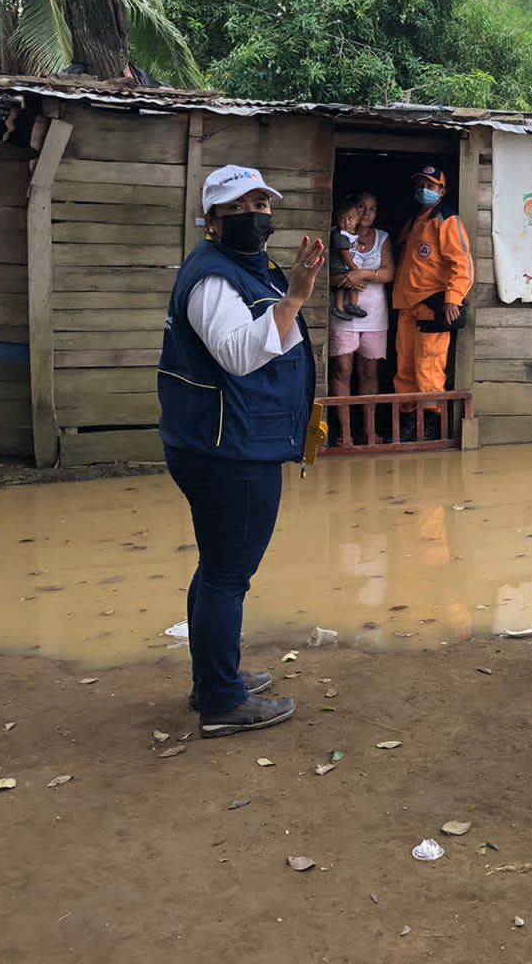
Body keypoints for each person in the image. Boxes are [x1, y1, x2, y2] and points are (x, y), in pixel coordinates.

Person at [157, 164, 324, 738]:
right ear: (213, 220)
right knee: (229, 575)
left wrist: (289, 291)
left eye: (262, 203)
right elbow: (237, 352)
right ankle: (223, 701)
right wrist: (297, 297)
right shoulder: (212, 278)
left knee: (219, 571)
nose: (257, 215)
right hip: (228, 450)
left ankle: (215, 680)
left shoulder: (246, 267)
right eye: (241, 208)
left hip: (235, 438)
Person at [392, 164, 475, 440]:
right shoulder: (416, 219)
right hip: (406, 304)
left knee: (428, 366)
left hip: (431, 304)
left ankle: (429, 426)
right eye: (421, 185)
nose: (425, 190)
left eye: (431, 186)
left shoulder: (446, 219)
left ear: (442, 190)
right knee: (404, 365)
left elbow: (462, 264)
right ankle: (406, 421)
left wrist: (453, 299)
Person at [328, 191, 394, 446]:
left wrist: (361, 275)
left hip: (375, 315)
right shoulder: (337, 235)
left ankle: (369, 432)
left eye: (372, 208)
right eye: (361, 206)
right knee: (342, 369)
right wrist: (345, 279)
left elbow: (390, 273)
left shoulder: (383, 238)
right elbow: (326, 273)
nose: (366, 213)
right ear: (350, 210)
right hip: (343, 313)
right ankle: (345, 435)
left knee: (369, 370)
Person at [328, 198, 365, 322]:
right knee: (347, 284)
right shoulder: (340, 235)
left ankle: (346, 307)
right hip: (340, 266)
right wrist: (352, 266)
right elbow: (345, 253)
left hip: (344, 266)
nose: (345, 222)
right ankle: (344, 307)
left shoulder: (352, 234)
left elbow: (353, 246)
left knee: (344, 286)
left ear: (357, 220)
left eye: (350, 219)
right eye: (341, 219)